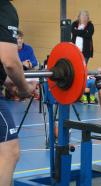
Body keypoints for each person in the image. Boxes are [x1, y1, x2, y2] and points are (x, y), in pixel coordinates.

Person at [0, 0, 36, 185]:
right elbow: (10, 62)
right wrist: (23, 88)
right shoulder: (4, 8)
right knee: (10, 151)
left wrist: (8, 82)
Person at [71, 10, 96, 104]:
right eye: (82, 16)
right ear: (79, 17)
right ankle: (76, 92)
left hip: (85, 53)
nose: (84, 18)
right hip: (75, 52)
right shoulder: (74, 23)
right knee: (75, 71)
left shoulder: (90, 25)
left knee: (82, 71)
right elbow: (73, 31)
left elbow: (88, 34)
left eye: (86, 16)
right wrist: (82, 32)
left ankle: (84, 94)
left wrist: (78, 32)